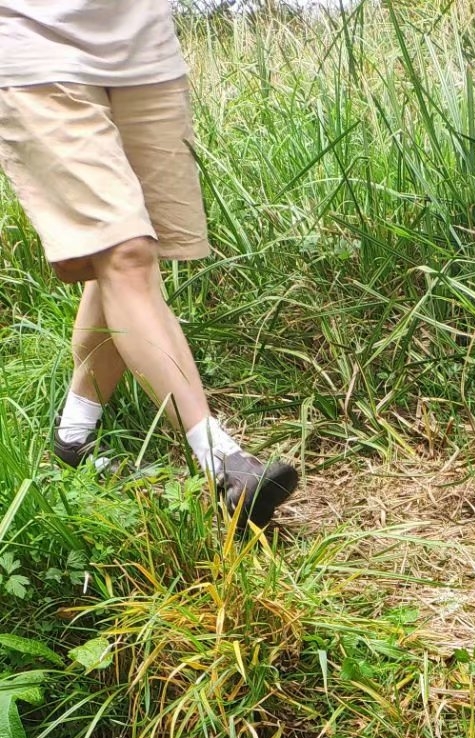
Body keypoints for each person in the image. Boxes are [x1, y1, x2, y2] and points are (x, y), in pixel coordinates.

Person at [0, 0, 298, 528]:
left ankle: (73, 435)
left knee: (127, 255)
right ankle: (223, 462)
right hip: (35, 47)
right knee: (126, 255)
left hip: (145, 53)